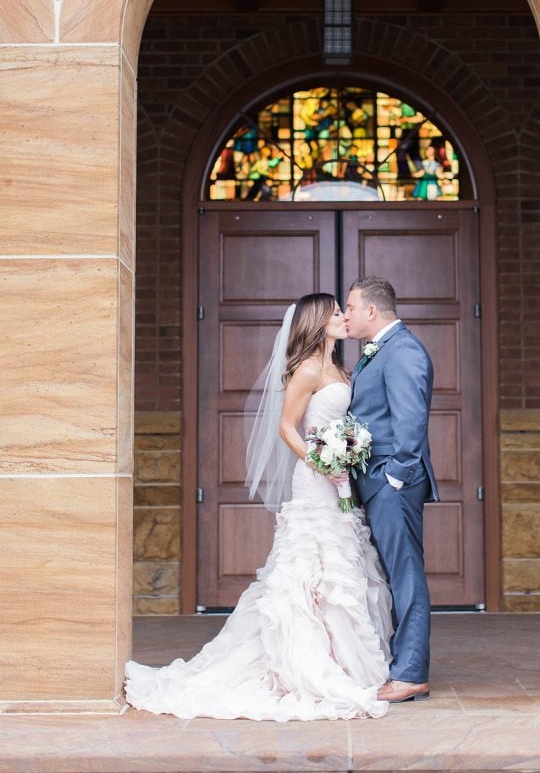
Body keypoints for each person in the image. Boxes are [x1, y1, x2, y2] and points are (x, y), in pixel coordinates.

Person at [125, 294, 392, 721]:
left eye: (345, 311)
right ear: (319, 321)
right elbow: (288, 427)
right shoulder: (306, 369)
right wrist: (321, 463)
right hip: (315, 480)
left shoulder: (340, 367)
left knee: (340, 565)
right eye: (337, 312)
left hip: (339, 480)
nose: (344, 317)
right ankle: (301, 661)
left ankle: (342, 658)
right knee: (307, 568)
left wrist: (345, 456)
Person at [345, 276, 438, 704]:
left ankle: (410, 673)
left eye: (350, 307)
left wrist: (394, 476)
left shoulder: (402, 351)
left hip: (391, 482)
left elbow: (410, 420)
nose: (346, 315)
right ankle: (400, 661)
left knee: (405, 574)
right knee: (393, 572)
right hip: (377, 480)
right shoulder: (379, 350)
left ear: (372, 311)